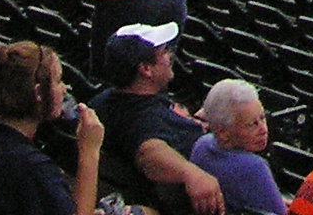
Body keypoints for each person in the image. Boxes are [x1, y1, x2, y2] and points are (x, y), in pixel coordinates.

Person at [0, 41, 106, 215]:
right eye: (58, 81)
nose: (64, 89)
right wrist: (89, 151)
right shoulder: (30, 166)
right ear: (38, 93)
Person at [90, 23, 224, 215]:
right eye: (163, 51)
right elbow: (148, 151)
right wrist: (192, 174)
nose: (170, 55)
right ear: (146, 69)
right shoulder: (140, 118)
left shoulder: (104, 100)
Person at [191, 80, 283, 215]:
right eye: (252, 124)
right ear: (223, 132)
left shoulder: (201, 145)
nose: (263, 129)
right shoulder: (254, 167)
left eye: (262, 118)